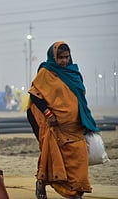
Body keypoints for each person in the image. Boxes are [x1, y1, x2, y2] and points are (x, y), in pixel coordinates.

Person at [27, 41, 99, 199]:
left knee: (80, 160)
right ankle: (42, 183)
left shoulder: (74, 73)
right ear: (53, 57)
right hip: (57, 127)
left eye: (67, 57)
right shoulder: (46, 72)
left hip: (76, 126)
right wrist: (48, 114)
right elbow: (35, 95)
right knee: (55, 159)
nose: (64, 61)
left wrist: (87, 119)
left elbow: (80, 99)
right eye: (60, 58)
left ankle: (77, 192)